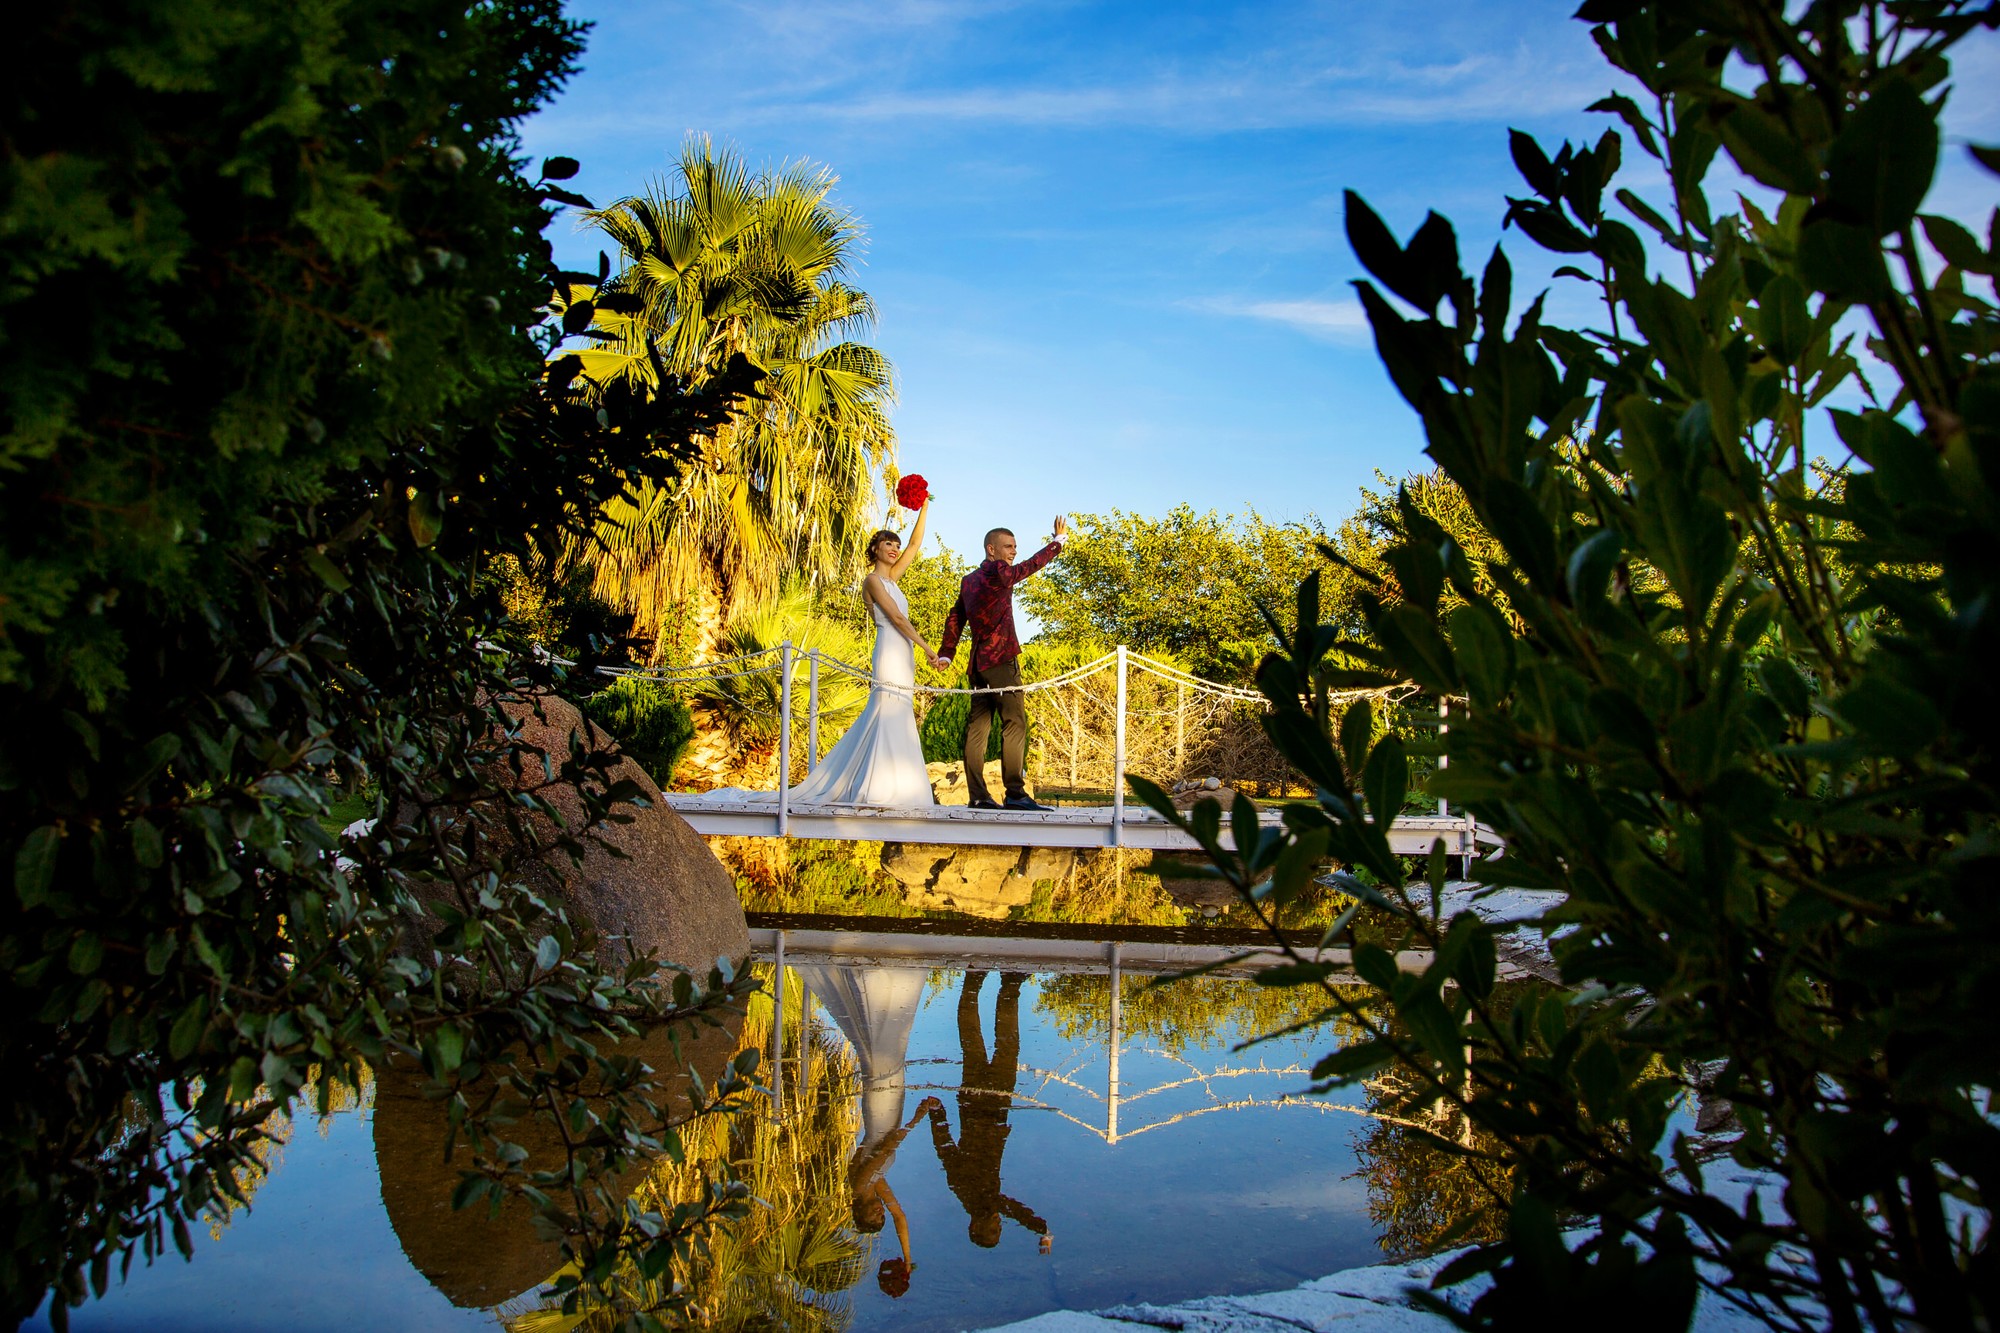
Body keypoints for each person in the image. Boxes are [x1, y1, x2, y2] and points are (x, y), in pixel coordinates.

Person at [690, 501, 939, 808]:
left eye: (896, 545)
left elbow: (915, 545)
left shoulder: (893, 577)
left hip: (905, 654)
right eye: (888, 543)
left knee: (900, 710)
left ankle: (903, 787)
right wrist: (928, 648)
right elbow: (898, 620)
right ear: (875, 548)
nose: (895, 549)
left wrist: (924, 506)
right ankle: (876, 787)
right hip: (890, 648)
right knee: (886, 707)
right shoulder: (873, 581)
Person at [935, 518, 1067, 810]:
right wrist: (1057, 542)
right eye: (1008, 546)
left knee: (978, 728)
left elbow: (956, 617)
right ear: (990, 549)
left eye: (1016, 547)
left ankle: (978, 796)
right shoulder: (998, 570)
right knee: (1014, 723)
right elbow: (1023, 570)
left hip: (978, 666)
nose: (1013, 552)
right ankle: (1016, 794)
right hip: (1000, 660)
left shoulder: (968, 581)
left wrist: (947, 653)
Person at [923, 971, 1051, 1252]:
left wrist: (1040, 1227)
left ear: (975, 1226)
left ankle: (1002, 985)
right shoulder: (968, 1196)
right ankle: (987, 983)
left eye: (992, 1229)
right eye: (998, 1229)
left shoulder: (978, 1200)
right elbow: (946, 1151)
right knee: (976, 1044)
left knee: (998, 1045)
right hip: (981, 1109)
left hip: (985, 1111)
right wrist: (938, 1116)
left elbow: (946, 1149)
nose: (997, 1223)